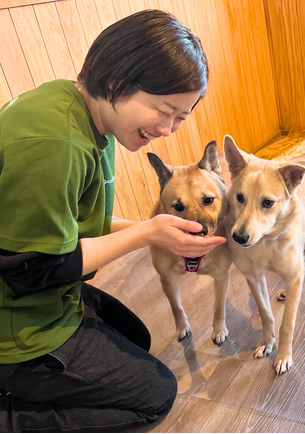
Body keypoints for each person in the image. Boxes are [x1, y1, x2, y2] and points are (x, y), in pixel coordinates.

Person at [0, 9, 225, 432]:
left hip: (53, 295)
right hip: (18, 329)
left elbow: (81, 224)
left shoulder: (89, 115)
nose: (169, 129)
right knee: (154, 397)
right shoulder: (54, 144)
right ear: (115, 79)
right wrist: (146, 232)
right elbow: (32, 270)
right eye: (164, 110)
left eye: (181, 117)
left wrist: (156, 232)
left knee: (137, 340)